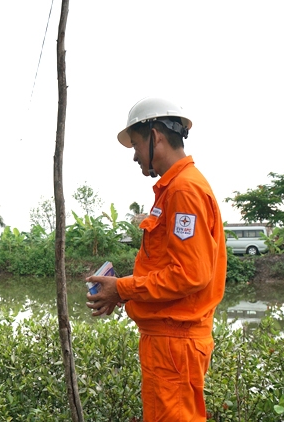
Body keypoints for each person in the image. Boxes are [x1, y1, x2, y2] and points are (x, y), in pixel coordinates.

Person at [86, 97, 227, 421]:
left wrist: (123, 289)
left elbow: (190, 274)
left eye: (136, 145)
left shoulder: (184, 191)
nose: (135, 155)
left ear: (156, 136)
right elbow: (170, 268)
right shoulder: (173, 190)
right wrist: (124, 291)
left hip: (174, 342)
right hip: (167, 339)